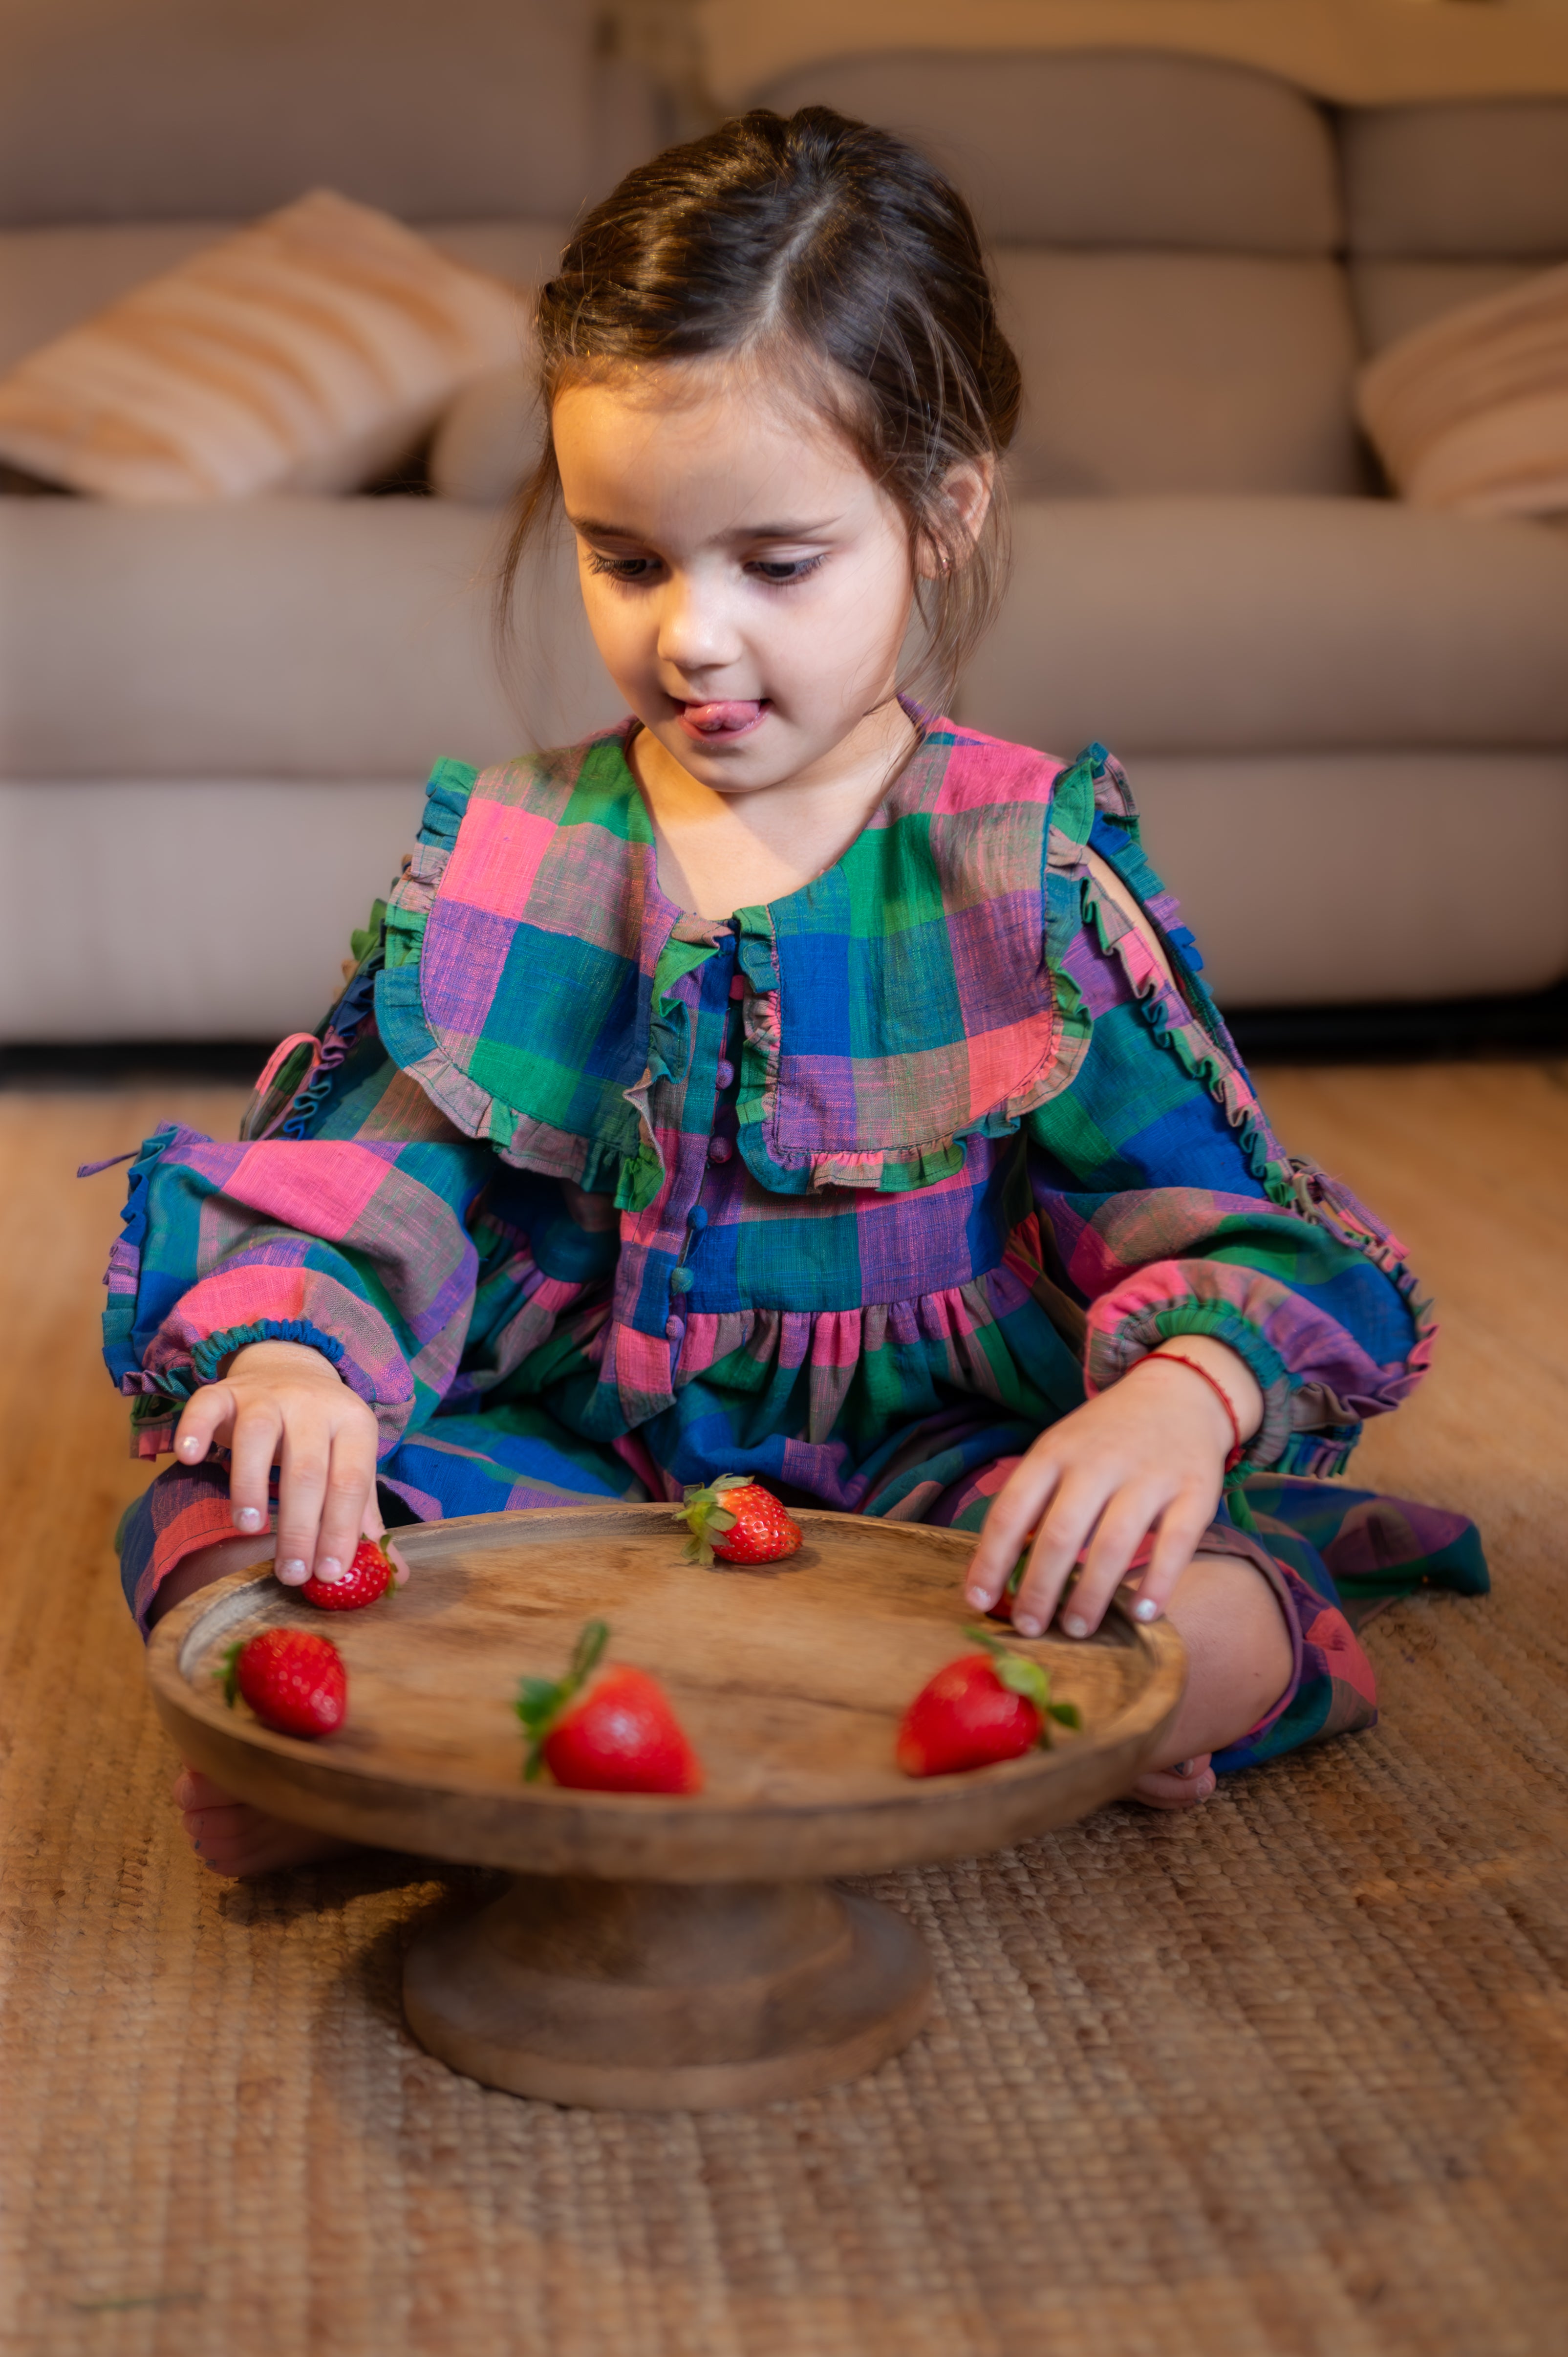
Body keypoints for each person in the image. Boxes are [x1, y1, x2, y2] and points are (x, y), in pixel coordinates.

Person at [102, 108, 1486, 1877]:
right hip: (569, 1458)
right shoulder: (521, 848)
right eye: (627, 559)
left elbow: (1218, 1221)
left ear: (943, 508)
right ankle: (786, 1749)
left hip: (936, 1475)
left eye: (775, 564)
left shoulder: (1020, 869)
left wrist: (1172, 1402)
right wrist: (296, 1353)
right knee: (234, 1520)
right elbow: (371, 1180)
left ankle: (518, 1767)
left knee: (1200, 1599)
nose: (691, 635)